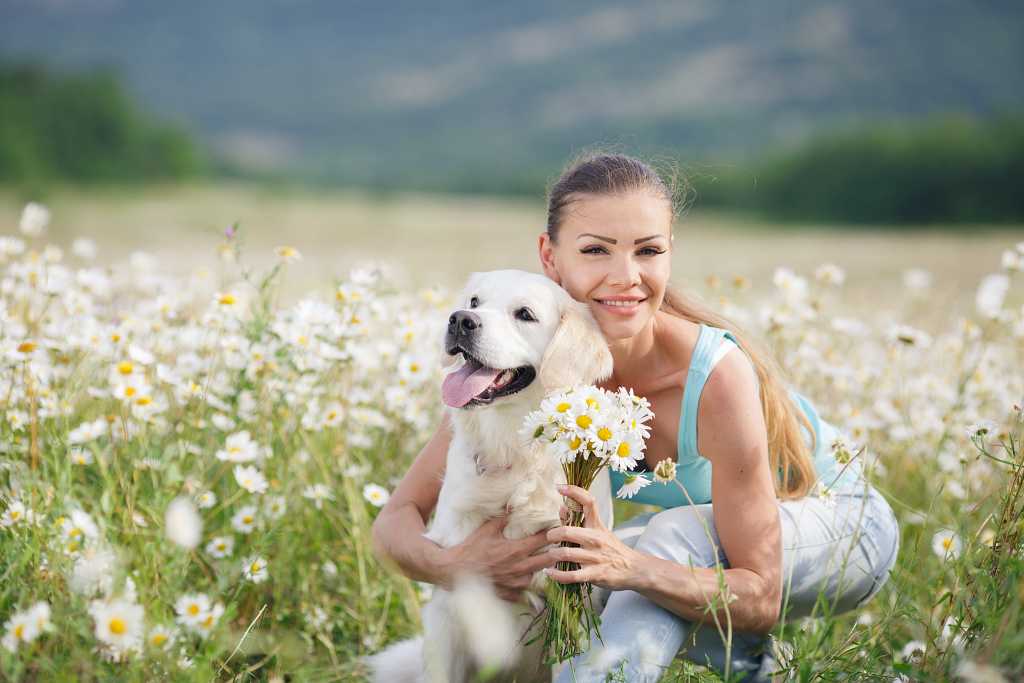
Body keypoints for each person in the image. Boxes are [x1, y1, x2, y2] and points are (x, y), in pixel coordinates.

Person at [371, 153, 900, 682]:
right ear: (549, 257)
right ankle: (749, 661)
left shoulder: (716, 376)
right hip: (716, 551)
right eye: (596, 250)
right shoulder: (524, 363)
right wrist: (457, 566)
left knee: (644, 552)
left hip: (844, 530)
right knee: (584, 568)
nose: (626, 277)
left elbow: (760, 592)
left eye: (648, 250)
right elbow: (394, 522)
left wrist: (632, 568)